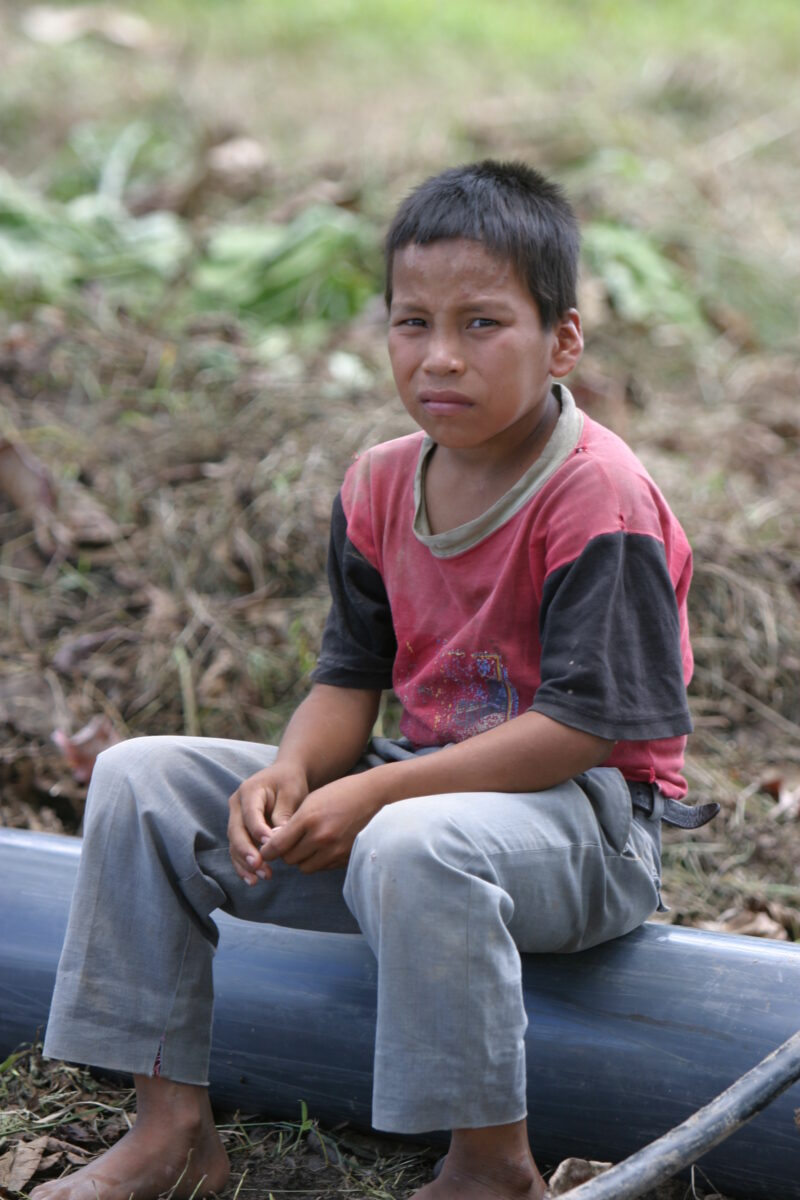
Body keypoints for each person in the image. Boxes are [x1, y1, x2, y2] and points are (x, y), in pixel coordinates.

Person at [32, 160, 714, 1200]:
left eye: (481, 324)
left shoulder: (597, 497)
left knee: (409, 837)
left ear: (560, 339)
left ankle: (490, 1169)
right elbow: (348, 676)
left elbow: (581, 729)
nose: (438, 357)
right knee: (138, 779)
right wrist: (299, 771)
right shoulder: (380, 483)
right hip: (425, 792)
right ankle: (171, 1133)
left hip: (584, 826)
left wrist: (372, 793)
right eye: (410, 323)